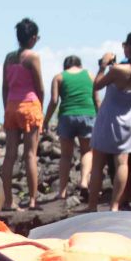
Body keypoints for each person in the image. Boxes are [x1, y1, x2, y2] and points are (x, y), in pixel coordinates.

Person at [86, 30, 131, 211]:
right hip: (128, 121)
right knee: (122, 163)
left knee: (98, 165)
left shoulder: (117, 70)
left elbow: (97, 84)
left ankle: (92, 206)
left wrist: (103, 66)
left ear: (129, 47)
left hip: (109, 119)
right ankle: (115, 205)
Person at [0, 19, 46, 208]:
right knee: (30, 155)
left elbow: (4, 87)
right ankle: (33, 200)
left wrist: (7, 107)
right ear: (33, 38)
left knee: (9, 155)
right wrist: (40, 108)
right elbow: (40, 87)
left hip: (11, 106)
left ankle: (9, 201)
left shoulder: (9, 58)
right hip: (30, 105)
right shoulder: (32, 57)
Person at [48, 54, 95, 201]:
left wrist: (45, 121)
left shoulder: (59, 77)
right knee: (87, 151)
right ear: (79, 65)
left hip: (67, 115)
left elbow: (54, 100)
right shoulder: (89, 75)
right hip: (88, 113)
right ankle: (84, 181)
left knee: (66, 155)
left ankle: (62, 192)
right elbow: (96, 97)